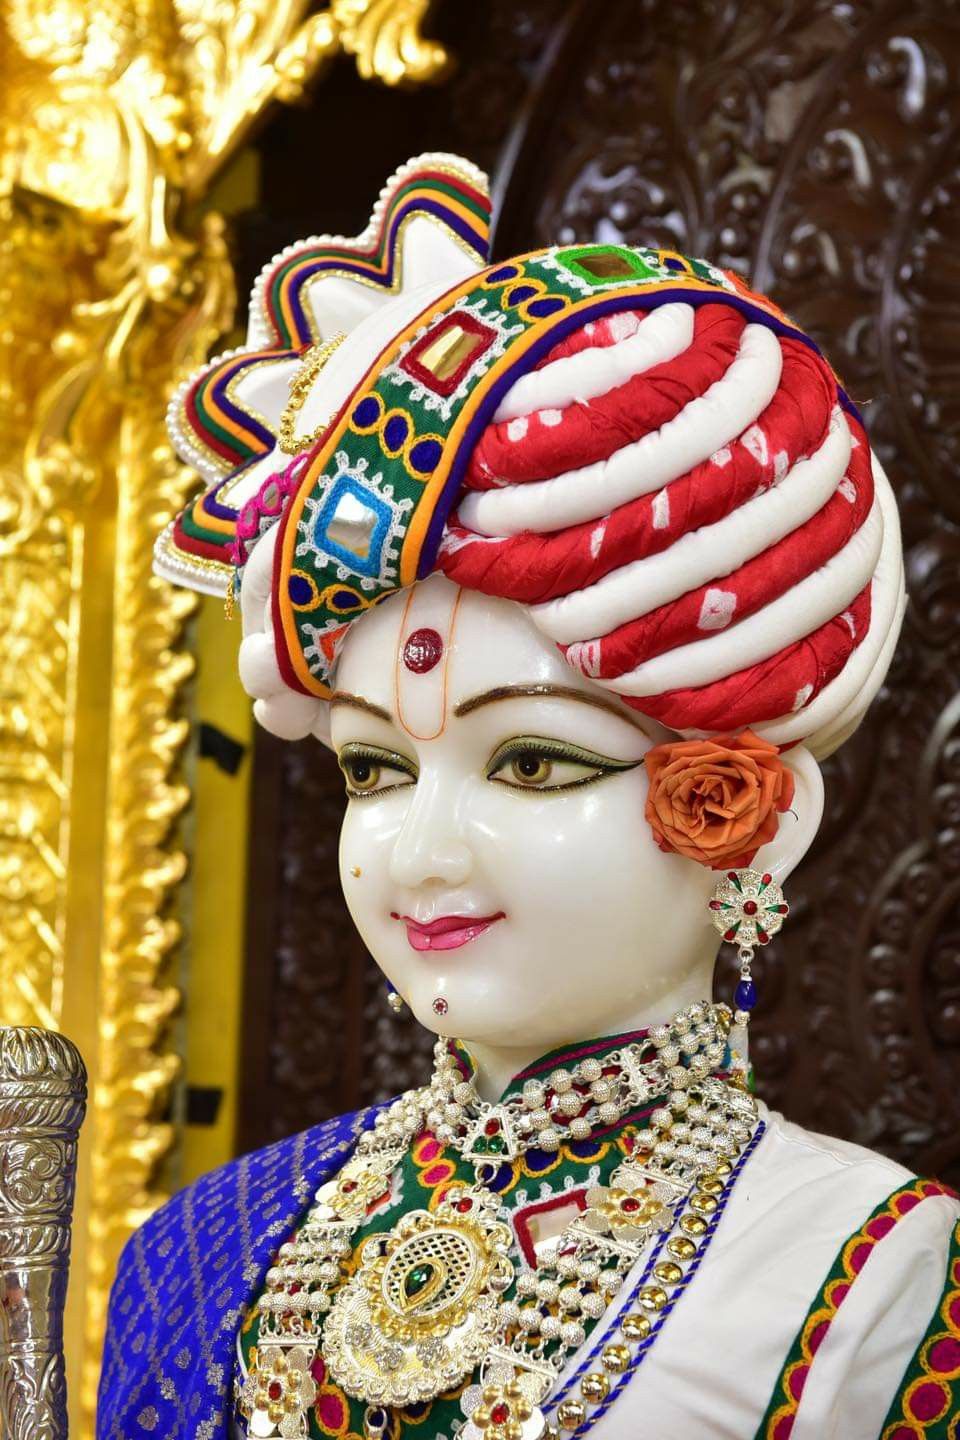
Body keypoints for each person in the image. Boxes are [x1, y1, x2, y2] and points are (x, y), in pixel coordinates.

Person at [98, 154, 960, 1440]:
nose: (423, 853)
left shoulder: (867, 1276)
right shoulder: (209, 1249)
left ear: (752, 816)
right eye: (375, 771)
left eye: (534, 763)